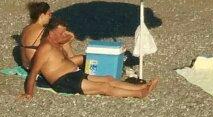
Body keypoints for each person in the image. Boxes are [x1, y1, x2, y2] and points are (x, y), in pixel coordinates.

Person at [24, 20, 157, 99]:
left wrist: (68, 38)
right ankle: (139, 93)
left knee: (108, 78)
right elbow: (33, 72)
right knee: (104, 87)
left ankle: (141, 86)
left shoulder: (56, 43)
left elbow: (65, 58)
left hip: (74, 74)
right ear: (51, 33)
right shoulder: (45, 48)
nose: (64, 35)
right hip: (64, 81)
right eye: (61, 33)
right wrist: (29, 94)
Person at [19, 2, 82, 71]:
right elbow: (59, 42)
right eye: (49, 14)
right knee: (81, 57)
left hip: (26, 66)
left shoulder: (25, 29)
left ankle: (73, 64)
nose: (50, 17)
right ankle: (73, 65)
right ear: (42, 15)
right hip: (37, 68)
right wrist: (70, 38)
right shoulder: (42, 30)